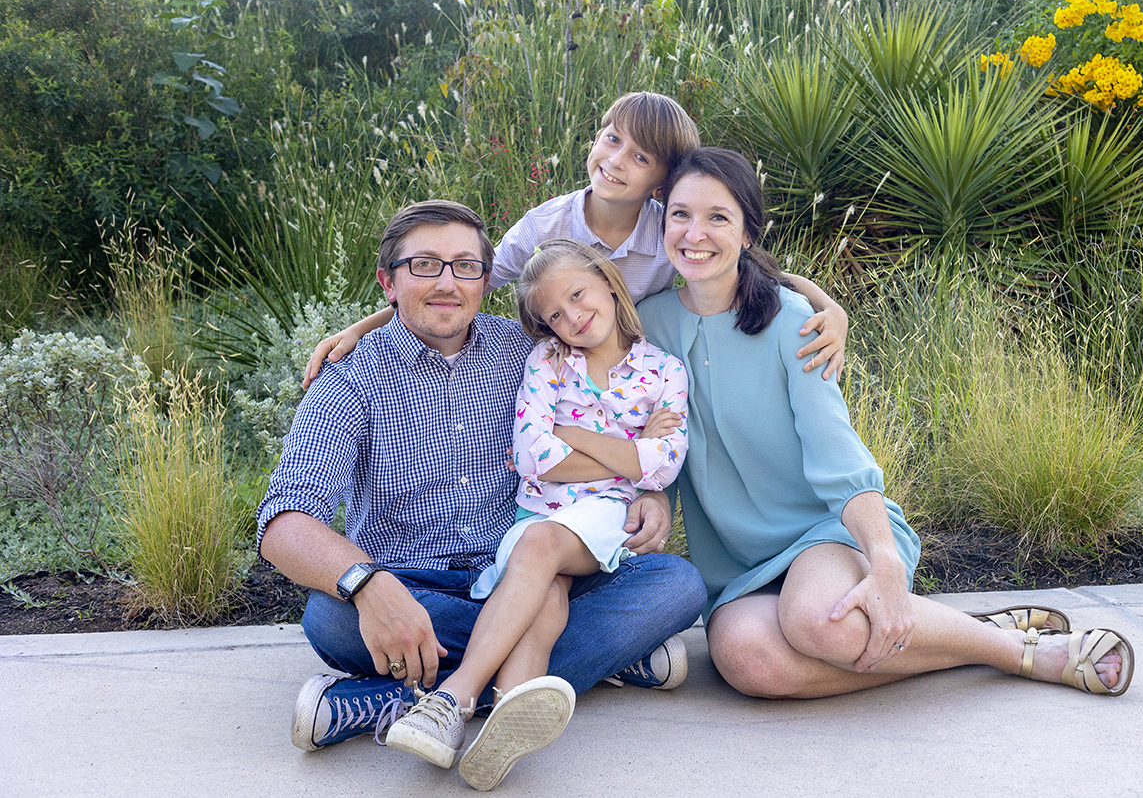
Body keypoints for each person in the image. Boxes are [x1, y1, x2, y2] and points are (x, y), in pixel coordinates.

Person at [636, 148, 1135, 700]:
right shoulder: (648, 323)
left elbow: (836, 451)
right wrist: (655, 497)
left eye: (718, 217)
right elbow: (653, 436)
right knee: (746, 661)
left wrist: (882, 557)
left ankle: (1021, 653)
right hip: (737, 563)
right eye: (680, 214)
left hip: (823, 533)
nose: (694, 233)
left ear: (749, 232)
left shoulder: (794, 321)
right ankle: (962, 639)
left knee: (817, 621)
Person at [256, 201, 705, 784]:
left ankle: (383, 701)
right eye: (425, 265)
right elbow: (284, 522)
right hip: (421, 589)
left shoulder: (530, 347)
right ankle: (594, 665)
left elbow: (617, 390)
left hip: (541, 571)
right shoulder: (351, 378)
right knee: (329, 617)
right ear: (387, 281)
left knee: (675, 585)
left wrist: (650, 493)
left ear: (485, 281)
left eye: (465, 266)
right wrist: (369, 587)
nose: (448, 282)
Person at [383, 239, 688, 789]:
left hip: (604, 515)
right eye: (554, 314)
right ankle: (504, 723)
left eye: (578, 295)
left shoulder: (664, 371)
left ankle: (453, 697)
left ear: (608, 283)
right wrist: (624, 451)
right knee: (543, 598)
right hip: (535, 513)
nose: (572, 316)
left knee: (550, 550)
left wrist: (571, 436)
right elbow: (532, 458)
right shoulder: (547, 360)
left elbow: (661, 468)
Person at [302, 91, 850, 388]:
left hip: (636, 379)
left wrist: (832, 309)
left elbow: (758, 270)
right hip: (562, 376)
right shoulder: (549, 224)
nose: (614, 161)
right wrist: (359, 328)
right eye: (612, 139)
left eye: (639, 156)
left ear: (661, 178)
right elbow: (465, 285)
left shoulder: (670, 229)